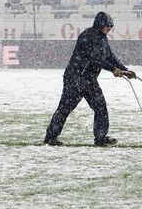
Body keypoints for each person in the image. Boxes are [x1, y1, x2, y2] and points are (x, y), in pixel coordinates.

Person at [44, 11, 135, 147]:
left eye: (111, 27)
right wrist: (113, 70)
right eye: (107, 26)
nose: (109, 29)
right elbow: (96, 58)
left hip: (89, 80)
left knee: (101, 108)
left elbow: (109, 56)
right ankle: (50, 137)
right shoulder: (87, 36)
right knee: (65, 108)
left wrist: (124, 69)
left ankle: (100, 138)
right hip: (75, 79)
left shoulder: (103, 39)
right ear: (99, 24)